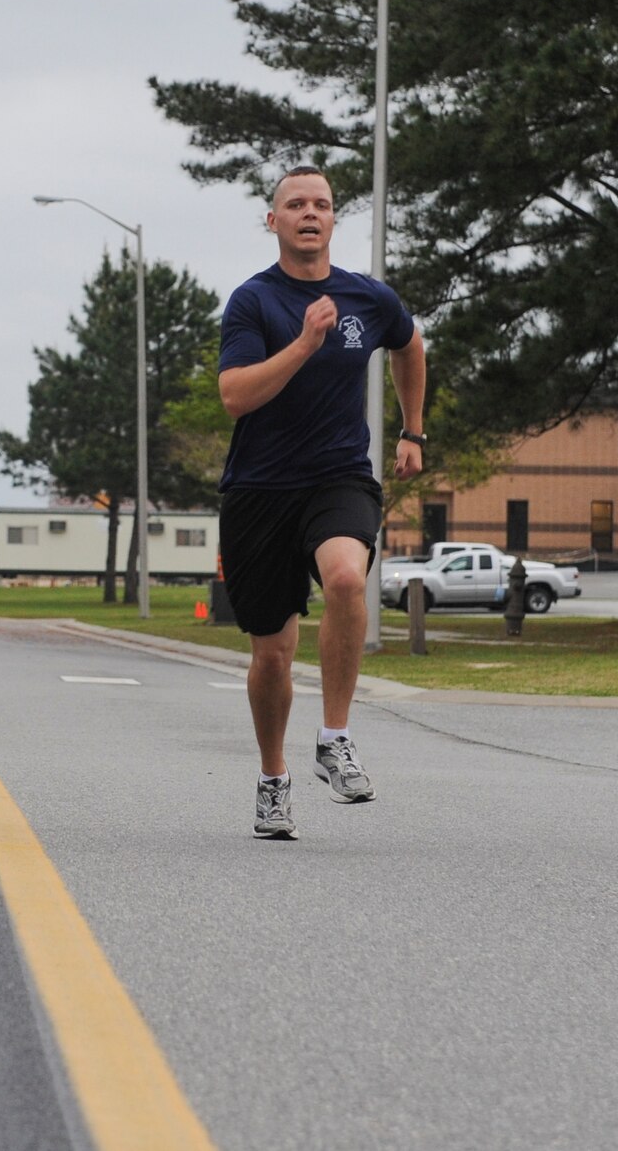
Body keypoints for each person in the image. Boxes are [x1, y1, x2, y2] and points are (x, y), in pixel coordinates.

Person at [216, 166, 426, 839]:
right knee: (272, 652)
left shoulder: (368, 298)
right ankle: (273, 778)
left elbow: (410, 345)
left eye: (322, 205)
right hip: (260, 488)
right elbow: (235, 396)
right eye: (295, 204)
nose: (310, 213)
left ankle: (334, 736)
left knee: (344, 576)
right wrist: (305, 343)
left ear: (335, 220)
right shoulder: (253, 302)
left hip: (338, 475)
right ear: (272, 220)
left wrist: (411, 427)